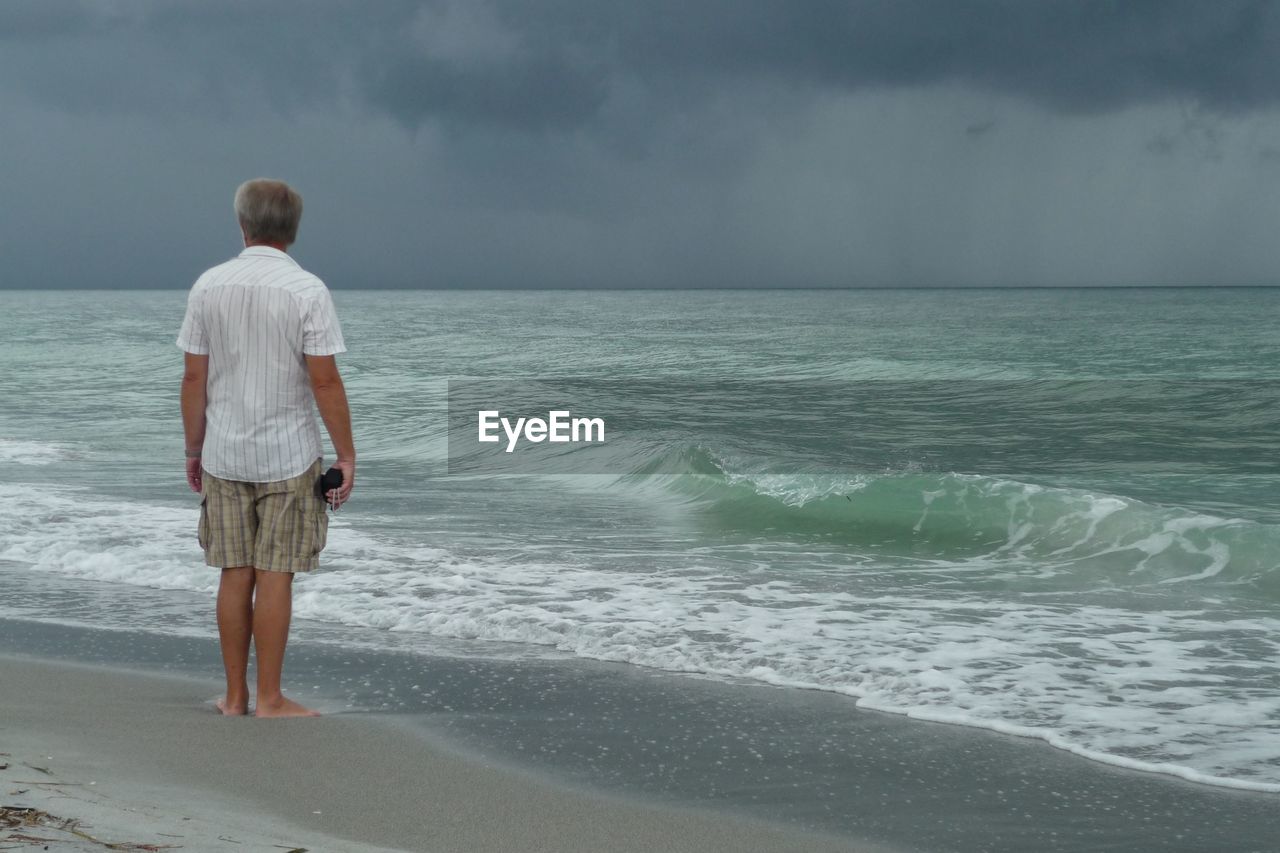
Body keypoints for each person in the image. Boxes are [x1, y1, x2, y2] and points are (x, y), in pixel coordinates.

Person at [177, 178, 355, 718]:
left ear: (242, 224)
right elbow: (325, 382)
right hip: (289, 456)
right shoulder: (307, 291)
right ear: (293, 231)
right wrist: (346, 456)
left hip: (225, 452)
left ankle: (234, 697)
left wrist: (193, 448)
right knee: (275, 573)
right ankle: (271, 697)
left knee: (235, 572)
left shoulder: (209, 286)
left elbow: (193, 378)